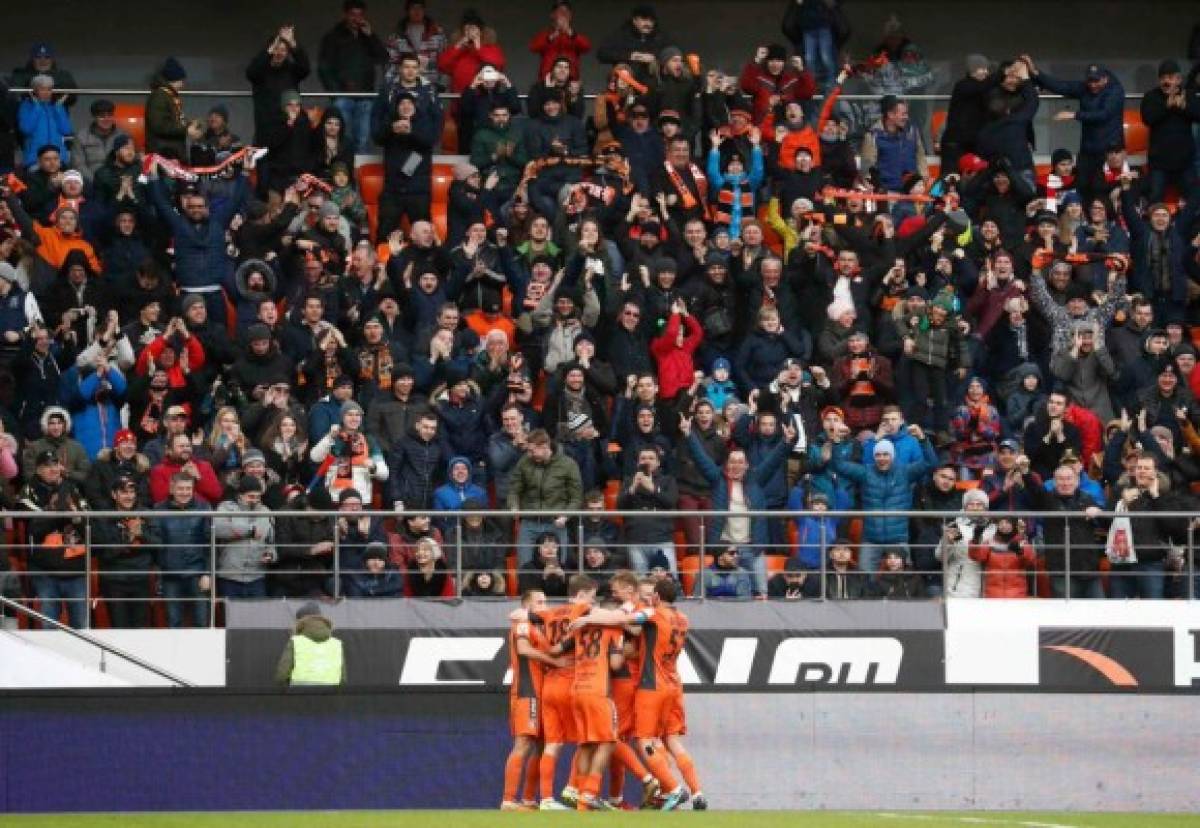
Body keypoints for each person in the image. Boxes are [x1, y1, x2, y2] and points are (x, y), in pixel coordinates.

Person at [830, 425, 937, 577]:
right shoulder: (865, 472)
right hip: (871, 539)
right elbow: (839, 465)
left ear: (892, 456)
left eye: (886, 454)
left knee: (903, 581)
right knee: (864, 580)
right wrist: (836, 442)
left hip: (898, 539)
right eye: (878, 455)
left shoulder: (905, 472)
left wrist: (922, 439)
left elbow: (930, 463)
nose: (882, 458)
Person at [500, 588, 562, 811]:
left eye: (545, 601)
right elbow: (523, 650)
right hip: (527, 690)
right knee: (524, 743)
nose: (544, 605)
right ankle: (508, 800)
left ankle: (528, 799)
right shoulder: (523, 624)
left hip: (541, 692)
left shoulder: (539, 627)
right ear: (527, 606)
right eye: (539, 602)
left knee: (542, 744)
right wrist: (555, 662)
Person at [18, 450, 88, 629]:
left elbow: (87, 521)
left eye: (55, 465)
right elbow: (34, 526)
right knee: (49, 627)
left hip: (75, 567)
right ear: (38, 470)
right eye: (47, 466)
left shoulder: (72, 488)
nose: (53, 469)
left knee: (81, 627)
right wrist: (56, 510)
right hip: (44, 568)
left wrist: (73, 516)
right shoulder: (29, 489)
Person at [319, 0, 389, 154]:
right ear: (345, 15)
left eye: (359, 15)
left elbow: (383, 57)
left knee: (362, 140)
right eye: (352, 14)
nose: (356, 18)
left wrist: (371, 36)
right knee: (342, 137)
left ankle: (358, 177)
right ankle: (341, 174)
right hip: (342, 96)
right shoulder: (333, 36)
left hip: (365, 96)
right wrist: (335, 93)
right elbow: (324, 68)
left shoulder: (367, 36)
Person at [91, 475, 158, 628]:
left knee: (140, 628)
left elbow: (158, 544)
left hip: (141, 579)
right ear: (114, 495)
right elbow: (105, 553)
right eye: (124, 492)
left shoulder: (146, 514)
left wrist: (141, 534)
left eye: (132, 492)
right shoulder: (103, 517)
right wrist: (129, 538)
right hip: (114, 581)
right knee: (119, 628)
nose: (129, 496)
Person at [508, 429, 582, 565]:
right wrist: (514, 506)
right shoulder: (524, 462)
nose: (528, 454)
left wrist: (565, 516)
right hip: (529, 523)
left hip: (556, 523)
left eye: (532, 450)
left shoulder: (568, 464)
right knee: (524, 568)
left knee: (559, 568)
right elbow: (514, 489)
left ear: (544, 447)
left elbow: (576, 497)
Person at [152, 472, 213, 628]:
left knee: (202, 623)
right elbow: (156, 546)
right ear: (172, 489)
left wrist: (208, 573)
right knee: (173, 622)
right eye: (181, 489)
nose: (185, 492)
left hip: (197, 573)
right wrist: (159, 575)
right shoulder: (158, 509)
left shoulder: (204, 508)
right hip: (170, 575)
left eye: (188, 488)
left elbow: (210, 543)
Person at [214, 475, 276, 599]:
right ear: (240, 495)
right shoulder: (226, 508)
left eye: (258, 497)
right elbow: (218, 529)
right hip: (229, 577)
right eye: (251, 496)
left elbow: (271, 542)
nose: (255, 500)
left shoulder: (266, 512)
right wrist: (250, 531)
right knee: (231, 618)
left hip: (257, 577)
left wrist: (270, 555)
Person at [275, 601, 346, 686]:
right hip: (330, 693)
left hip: (300, 693)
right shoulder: (336, 644)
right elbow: (343, 678)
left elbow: (282, 674)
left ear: (299, 623)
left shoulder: (295, 641)